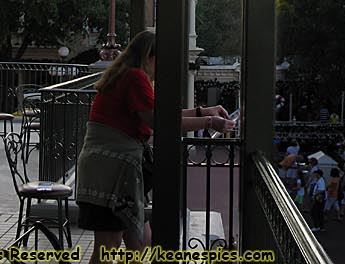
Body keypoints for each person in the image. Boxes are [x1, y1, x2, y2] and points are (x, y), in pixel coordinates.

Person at [72, 33, 235, 263]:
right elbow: (159, 121)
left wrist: (204, 112)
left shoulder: (125, 75)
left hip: (107, 172)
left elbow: (160, 114)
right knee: (109, 247)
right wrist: (209, 122)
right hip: (112, 175)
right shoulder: (135, 78)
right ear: (150, 56)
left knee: (140, 242)